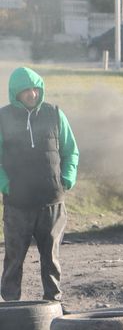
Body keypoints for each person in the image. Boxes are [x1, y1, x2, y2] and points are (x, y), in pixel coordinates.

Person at [0, 67, 79, 304]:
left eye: (35, 89)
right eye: (26, 90)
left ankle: (53, 304)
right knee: (14, 258)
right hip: (18, 204)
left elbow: (70, 151)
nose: (32, 94)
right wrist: (5, 185)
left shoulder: (54, 113)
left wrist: (67, 178)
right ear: (16, 92)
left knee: (51, 258)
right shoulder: (3, 118)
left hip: (52, 202)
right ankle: (10, 307)